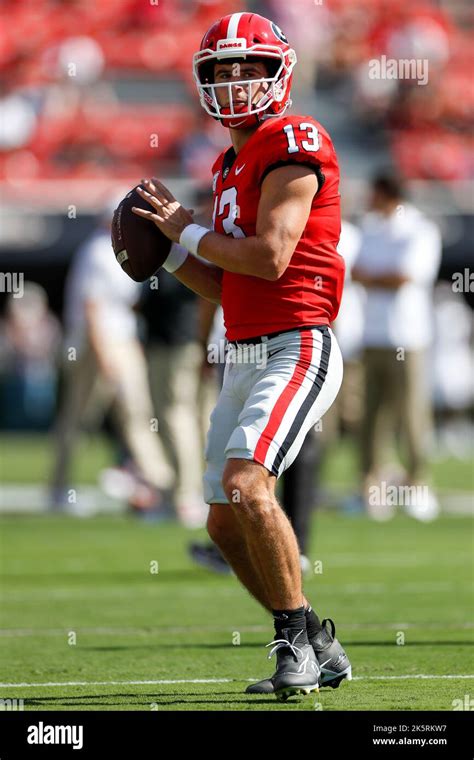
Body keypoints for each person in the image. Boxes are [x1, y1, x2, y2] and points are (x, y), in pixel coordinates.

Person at [131, 12, 351, 700]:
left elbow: (272, 254)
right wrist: (167, 255)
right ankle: (314, 634)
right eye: (221, 70)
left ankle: (293, 643)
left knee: (247, 485)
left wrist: (187, 229)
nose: (234, 81)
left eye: (247, 67)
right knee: (223, 522)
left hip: (298, 341)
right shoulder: (228, 163)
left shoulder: (295, 136)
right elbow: (227, 283)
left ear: (278, 71)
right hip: (244, 349)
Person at [50, 206, 174, 512]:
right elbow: (93, 308)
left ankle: (160, 484)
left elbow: (125, 307)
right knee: (79, 419)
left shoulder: (122, 251)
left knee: (138, 415)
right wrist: (103, 354)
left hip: (121, 341)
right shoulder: (96, 252)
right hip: (97, 345)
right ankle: (59, 488)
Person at [352, 172, 442, 521]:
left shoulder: (420, 229)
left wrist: (373, 277)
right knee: (371, 418)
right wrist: (379, 277)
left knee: (411, 415)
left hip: (408, 337)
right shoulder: (371, 229)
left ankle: (418, 485)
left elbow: (406, 277)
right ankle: (371, 490)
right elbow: (357, 272)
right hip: (371, 336)